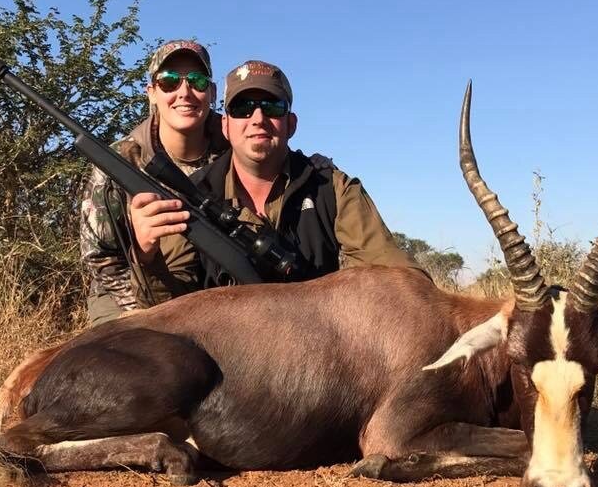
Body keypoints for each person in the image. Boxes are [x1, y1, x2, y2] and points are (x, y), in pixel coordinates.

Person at [129, 59, 423, 305]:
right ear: (226, 125)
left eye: (272, 107)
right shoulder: (193, 195)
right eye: (242, 108)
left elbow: (403, 280)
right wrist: (147, 256)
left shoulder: (333, 188)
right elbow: (163, 307)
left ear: (291, 124)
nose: (257, 118)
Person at [80, 39, 228, 325]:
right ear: (152, 93)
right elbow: (100, 257)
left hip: (216, 292)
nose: (184, 92)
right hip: (129, 292)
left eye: (196, 81)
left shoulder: (235, 147)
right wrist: (150, 307)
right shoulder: (119, 161)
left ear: (211, 92)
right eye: (169, 81)